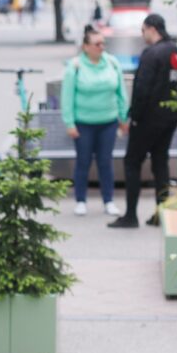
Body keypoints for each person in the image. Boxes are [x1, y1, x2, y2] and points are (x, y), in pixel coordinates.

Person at [109, 14, 177, 229]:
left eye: (143, 30)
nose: (142, 35)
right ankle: (161, 214)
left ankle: (130, 215)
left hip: (148, 119)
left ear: (152, 29)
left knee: (132, 162)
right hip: (171, 118)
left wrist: (132, 117)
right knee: (160, 162)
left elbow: (141, 90)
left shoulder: (151, 54)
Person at [61, 25, 129, 217]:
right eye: (97, 44)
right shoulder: (74, 67)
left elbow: (121, 93)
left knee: (105, 162)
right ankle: (80, 200)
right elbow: (67, 97)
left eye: (103, 43)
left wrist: (123, 118)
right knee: (83, 161)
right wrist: (69, 123)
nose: (101, 47)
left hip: (108, 121)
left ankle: (108, 200)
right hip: (84, 123)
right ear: (86, 47)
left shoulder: (112, 63)